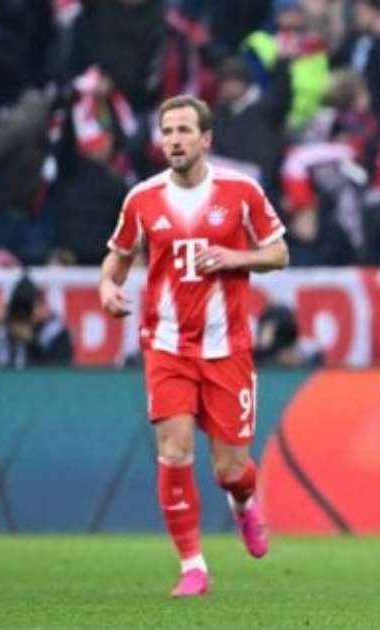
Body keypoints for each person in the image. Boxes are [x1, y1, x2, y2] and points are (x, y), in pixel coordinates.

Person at [97, 95, 289, 597]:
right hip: (167, 345)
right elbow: (118, 256)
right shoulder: (142, 199)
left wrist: (234, 257)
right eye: (167, 131)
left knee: (230, 470)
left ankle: (243, 503)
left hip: (227, 347)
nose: (175, 140)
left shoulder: (241, 191)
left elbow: (279, 253)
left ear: (206, 139)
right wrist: (107, 286)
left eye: (184, 130)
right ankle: (193, 566)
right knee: (174, 449)